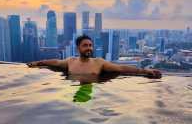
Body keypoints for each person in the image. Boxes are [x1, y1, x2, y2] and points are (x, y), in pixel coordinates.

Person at [27, 35, 162, 79]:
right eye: (85, 45)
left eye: (90, 45)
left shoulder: (99, 63)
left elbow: (121, 68)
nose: (89, 48)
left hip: (90, 93)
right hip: (71, 93)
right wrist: (38, 63)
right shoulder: (70, 61)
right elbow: (55, 62)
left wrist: (145, 71)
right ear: (78, 48)